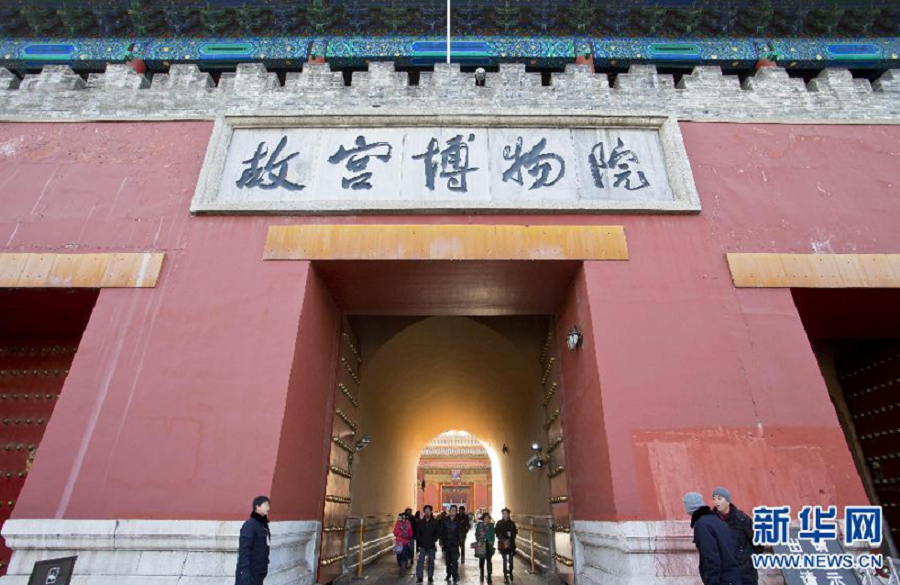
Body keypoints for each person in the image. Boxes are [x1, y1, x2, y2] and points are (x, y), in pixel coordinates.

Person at [683, 492, 741, 585]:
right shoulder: (717, 520)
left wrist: (711, 581)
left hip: (722, 579)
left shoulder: (702, 524)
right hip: (732, 577)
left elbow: (710, 556)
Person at [711, 487, 761, 585]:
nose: (716, 502)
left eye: (719, 498)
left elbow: (757, 542)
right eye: (714, 499)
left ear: (728, 501)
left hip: (745, 574)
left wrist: (748, 557)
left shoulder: (742, 519)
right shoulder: (710, 522)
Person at [236, 496, 271, 585]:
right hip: (249, 572)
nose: (268, 508)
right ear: (257, 506)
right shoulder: (250, 525)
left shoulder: (264, 526)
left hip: (259, 571)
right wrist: (245, 570)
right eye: (266, 505)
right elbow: (244, 549)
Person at [416, 505, 441, 584]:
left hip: (431, 545)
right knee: (420, 561)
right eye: (426, 511)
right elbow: (418, 533)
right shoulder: (420, 522)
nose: (427, 513)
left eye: (428, 511)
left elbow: (438, 532)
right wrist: (420, 541)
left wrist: (434, 539)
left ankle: (430, 576)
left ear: (431, 512)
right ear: (424, 512)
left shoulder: (434, 522)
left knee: (431, 562)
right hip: (423, 545)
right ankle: (420, 577)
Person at [440, 504, 463, 583]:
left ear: (456, 512)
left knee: (454, 560)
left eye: (455, 510)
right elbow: (442, 531)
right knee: (448, 560)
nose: (453, 512)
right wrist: (441, 542)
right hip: (446, 543)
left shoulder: (458, 521)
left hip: (454, 544)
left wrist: (460, 542)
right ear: (449, 511)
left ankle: (455, 576)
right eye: (452, 510)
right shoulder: (445, 520)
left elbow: (460, 533)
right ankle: (448, 574)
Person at [494, 508, 518, 583]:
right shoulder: (499, 523)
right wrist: (501, 536)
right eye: (504, 513)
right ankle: (505, 576)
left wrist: (511, 534)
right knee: (504, 560)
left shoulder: (512, 523)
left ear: (508, 514)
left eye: (506, 513)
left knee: (511, 561)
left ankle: (510, 572)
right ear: (502, 514)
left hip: (511, 544)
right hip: (503, 544)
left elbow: (515, 533)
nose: (505, 515)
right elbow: (496, 532)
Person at [474, 512, 496, 584]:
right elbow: (476, 534)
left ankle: (489, 576)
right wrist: (478, 539)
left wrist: (492, 542)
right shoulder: (479, 525)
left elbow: (493, 536)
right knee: (482, 560)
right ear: (483, 519)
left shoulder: (491, 526)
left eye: (488, 518)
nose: (487, 520)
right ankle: (481, 573)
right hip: (481, 544)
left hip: (489, 545)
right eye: (485, 518)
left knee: (489, 561)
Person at [394, 511, 415, 577]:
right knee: (399, 557)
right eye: (402, 518)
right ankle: (401, 567)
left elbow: (410, 534)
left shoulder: (408, 524)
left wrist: (407, 535)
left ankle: (403, 569)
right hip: (399, 543)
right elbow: (395, 533)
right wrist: (401, 533)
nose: (403, 519)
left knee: (404, 557)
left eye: (404, 518)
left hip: (405, 543)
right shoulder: (398, 523)